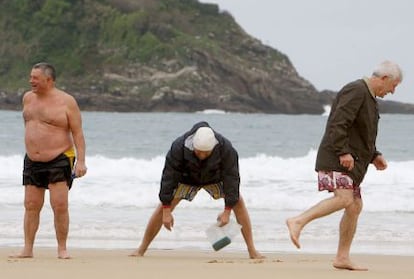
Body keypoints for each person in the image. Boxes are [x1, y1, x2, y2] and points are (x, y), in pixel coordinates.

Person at [286, 60, 403, 270]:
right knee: (344, 198)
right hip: (336, 157)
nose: (393, 92)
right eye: (394, 86)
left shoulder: (369, 98)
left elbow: (361, 132)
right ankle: (298, 221)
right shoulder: (356, 90)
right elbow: (338, 122)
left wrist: (374, 154)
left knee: (355, 206)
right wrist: (343, 151)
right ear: (384, 78)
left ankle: (342, 257)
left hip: (350, 161)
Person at [130, 121, 263, 259]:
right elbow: (168, 178)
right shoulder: (179, 147)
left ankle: (252, 250)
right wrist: (166, 210)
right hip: (187, 178)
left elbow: (232, 179)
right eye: (198, 152)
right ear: (193, 145)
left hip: (214, 178)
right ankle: (141, 249)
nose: (202, 156)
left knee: (238, 201)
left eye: (206, 153)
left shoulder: (226, 149)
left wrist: (227, 210)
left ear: (213, 147)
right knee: (164, 206)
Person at [13, 62, 87, 259]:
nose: (31, 81)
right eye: (31, 77)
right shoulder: (27, 98)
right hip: (32, 159)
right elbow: (31, 126)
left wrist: (81, 161)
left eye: (35, 78)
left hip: (59, 157)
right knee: (30, 204)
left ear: (49, 80)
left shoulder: (67, 102)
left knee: (60, 204)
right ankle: (28, 248)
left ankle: (62, 248)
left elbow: (78, 133)